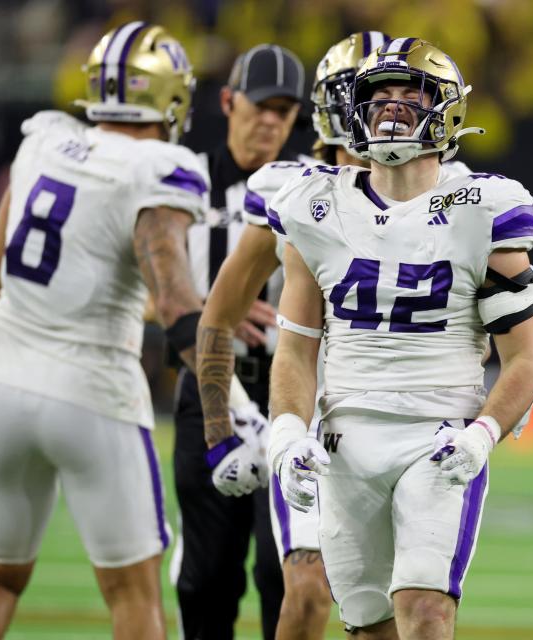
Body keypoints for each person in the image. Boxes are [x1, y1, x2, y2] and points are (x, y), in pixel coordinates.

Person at [207, 38, 533, 639]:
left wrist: (483, 436)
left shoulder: (483, 208)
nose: (391, 108)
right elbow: (296, 347)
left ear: (446, 110)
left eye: (408, 95)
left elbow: (526, 360)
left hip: (438, 436)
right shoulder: (317, 207)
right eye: (378, 96)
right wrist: (286, 431)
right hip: (344, 438)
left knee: (426, 609)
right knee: (368, 627)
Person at [0, 23, 208, 639]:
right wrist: (230, 411)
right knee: (133, 595)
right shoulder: (158, 165)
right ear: (170, 96)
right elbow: (176, 304)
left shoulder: (44, 141)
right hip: (94, 390)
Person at [169, 43, 306, 640]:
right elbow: (138, 285)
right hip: (209, 391)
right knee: (206, 578)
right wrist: (212, 311)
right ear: (228, 102)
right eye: (260, 106)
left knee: (284, 572)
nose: (271, 121)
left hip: (289, 396)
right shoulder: (183, 176)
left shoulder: (307, 187)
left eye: (284, 111)